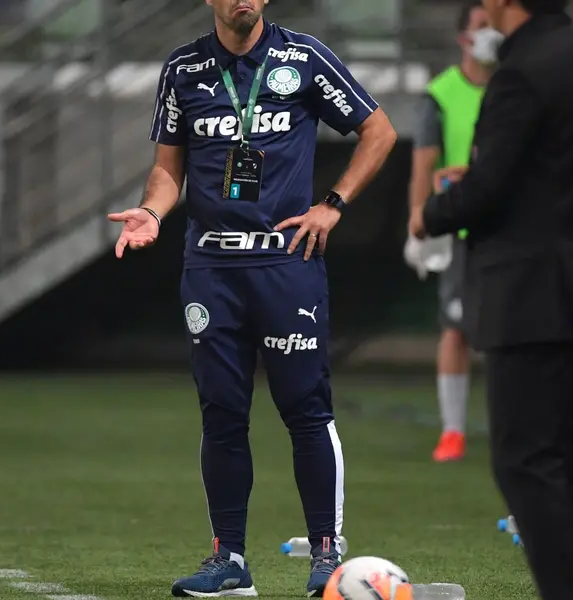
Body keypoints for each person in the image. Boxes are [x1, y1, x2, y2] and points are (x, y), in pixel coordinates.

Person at [109, 0, 396, 596]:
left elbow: (379, 130)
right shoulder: (182, 69)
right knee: (221, 413)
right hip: (210, 266)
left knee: (306, 409)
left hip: (285, 260)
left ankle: (326, 555)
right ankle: (229, 560)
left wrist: (333, 204)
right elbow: (168, 169)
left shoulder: (304, 58)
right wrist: (153, 211)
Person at [409, 1, 573, 599]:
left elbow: (487, 189)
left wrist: (429, 214)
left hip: (534, 300)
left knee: (525, 462)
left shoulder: (522, 72)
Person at [406, 0, 500, 463]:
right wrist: (418, 222)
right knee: (455, 327)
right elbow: (423, 163)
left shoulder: (516, 86)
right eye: (483, 27)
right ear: (464, 37)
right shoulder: (441, 94)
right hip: (462, 229)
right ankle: (453, 430)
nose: (492, 35)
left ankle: (513, 427)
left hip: (510, 227)